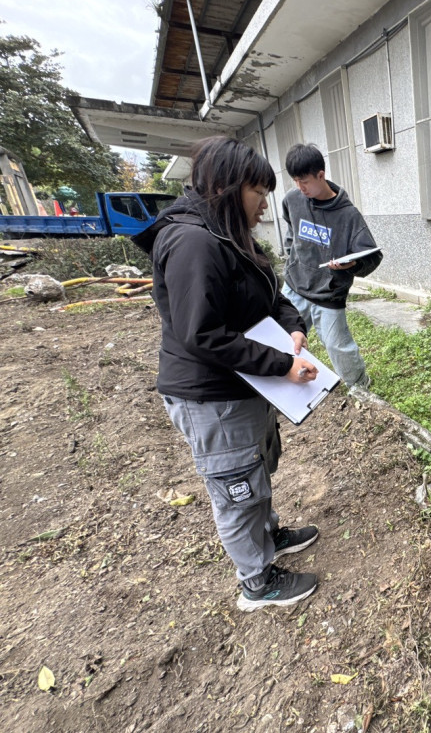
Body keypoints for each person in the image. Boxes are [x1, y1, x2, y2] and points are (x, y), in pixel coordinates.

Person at [135, 136, 322, 612]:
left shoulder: (228, 234)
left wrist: (292, 329)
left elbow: (271, 294)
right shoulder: (194, 242)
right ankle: (256, 582)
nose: (265, 205)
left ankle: (269, 537)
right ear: (229, 187)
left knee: (254, 467)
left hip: (244, 384)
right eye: (259, 192)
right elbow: (202, 335)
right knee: (236, 484)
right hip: (212, 396)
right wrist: (281, 364)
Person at [280, 144, 383, 390]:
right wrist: (290, 258)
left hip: (329, 293)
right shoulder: (293, 200)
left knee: (338, 346)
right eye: (295, 181)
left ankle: (359, 386)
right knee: (284, 338)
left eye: (304, 181)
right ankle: (284, 381)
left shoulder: (349, 215)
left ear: (321, 175)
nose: (300, 188)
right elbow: (291, 233)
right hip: (295, 286)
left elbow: (373, 257)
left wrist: (353, 262)